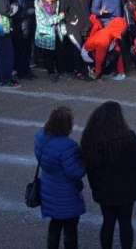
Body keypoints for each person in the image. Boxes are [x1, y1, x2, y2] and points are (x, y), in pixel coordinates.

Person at [81, 101, 136, 249]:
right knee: (126, 223)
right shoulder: (128, 137)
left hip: (103, 189)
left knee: (108, 222)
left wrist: (94, 186)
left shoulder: (90, 137)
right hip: (127, 189)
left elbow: (88, 165)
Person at [34, 106, 86, 249]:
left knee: (55, 224)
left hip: (48, 187)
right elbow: (76, 172)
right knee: (70, 230)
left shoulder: (40, 137)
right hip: (66, 192)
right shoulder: (68, 146)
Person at [35, 0, 65, 82]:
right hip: (46, 32)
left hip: (57, 30)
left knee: (59, 51)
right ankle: (51, 72)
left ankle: (60, 70)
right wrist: (59, 17)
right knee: (49, 54)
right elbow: (45, 21)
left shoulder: (58, 1)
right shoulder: (39, 4)